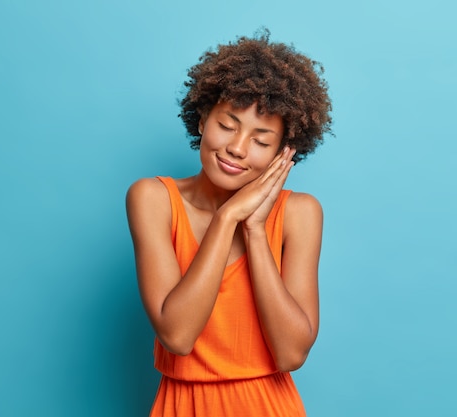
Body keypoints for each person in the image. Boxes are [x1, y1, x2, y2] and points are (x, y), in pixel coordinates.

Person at [126, 29, 332, 416]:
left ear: (283, 152)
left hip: (270, 406)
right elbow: (177, 336)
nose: (237, 148)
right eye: (228, 124)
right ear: (203, 118)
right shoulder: (153, 199)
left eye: (261, 138)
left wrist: (254, 230)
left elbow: (291, 353)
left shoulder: (300, 213)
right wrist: (228, 218)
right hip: (182, 405)